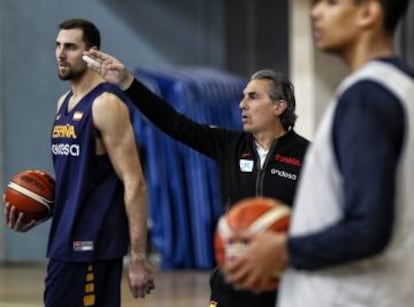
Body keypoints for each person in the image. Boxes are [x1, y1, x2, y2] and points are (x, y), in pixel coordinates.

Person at [221, 0, 414, 306]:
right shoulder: (402, 87)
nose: (315, 11)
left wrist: (281, 249)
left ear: (368, 13)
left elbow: (369, 228)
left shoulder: (365, 97)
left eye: (331, 3)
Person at [82, 49, 310, 307]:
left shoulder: (308, 156)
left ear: (279, 106)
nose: (242, 104)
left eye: (253, 97)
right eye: (243, 97)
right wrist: (128, 83)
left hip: (282, 284)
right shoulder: (229, 144)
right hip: (230, 282)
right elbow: (174, 123)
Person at [4, 18, 154, 306]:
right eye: (58, 46)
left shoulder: (106, 105)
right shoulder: (63, 103)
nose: (60, 54)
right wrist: (39, 209)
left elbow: (134, 182)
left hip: (92, 245)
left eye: (70, 47)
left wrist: (137, 258)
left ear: (91, 53)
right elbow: (78, 179)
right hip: (64, 241)